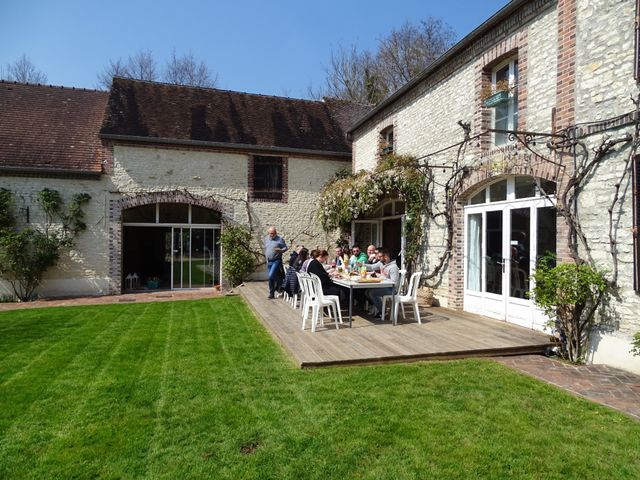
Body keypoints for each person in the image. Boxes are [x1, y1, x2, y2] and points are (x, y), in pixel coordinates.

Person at [365, 248, 400, 319]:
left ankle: (383, 311)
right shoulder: (381, 263)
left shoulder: (393, 267)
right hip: (383, 286)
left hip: (392, 289)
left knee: (372, 293)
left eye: (380, 257)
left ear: (386, 257)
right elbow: (372, 267)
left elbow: (394, 283)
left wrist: (380, 277)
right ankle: (380, 308)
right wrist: (361, 265)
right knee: (367, 291)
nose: (378, 258)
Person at [264, 226, 288, 299]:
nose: (271, 235)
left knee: (271, 275)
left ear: (275, 233)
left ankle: (280, 282)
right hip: (269, 261)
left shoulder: (280, 239)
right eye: (270, 233)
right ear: (268, 233)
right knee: (270, 278)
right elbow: (266, 248)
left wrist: (281, 250)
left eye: (273, 233)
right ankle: (271, 294)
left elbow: (285, 247)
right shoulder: (266, 239)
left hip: (276, 260)